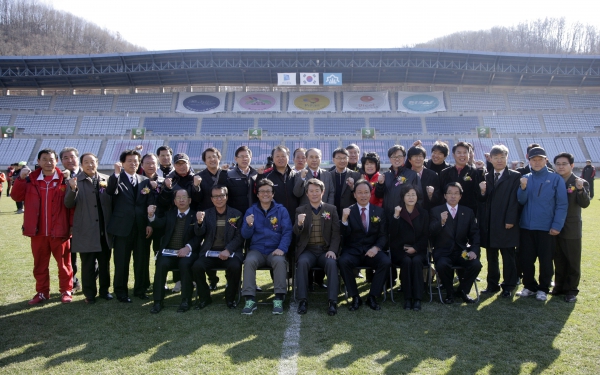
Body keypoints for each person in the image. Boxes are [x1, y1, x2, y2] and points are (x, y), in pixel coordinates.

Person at [11, 149, 73, 304]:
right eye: (44, 159)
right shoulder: (30, 179)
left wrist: (71, 226)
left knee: (64, 264)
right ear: (38, 162)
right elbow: (16, 196)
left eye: (51, 159)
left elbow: (72, 206)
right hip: (38, 232)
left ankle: (66, 290)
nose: (48, 162)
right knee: (39, 265)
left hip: (60, 231)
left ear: (56, 160)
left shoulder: (64, 179)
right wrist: (20, 178)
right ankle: (42, 292)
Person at [516, 147, 567, 302]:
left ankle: (543, 288)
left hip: (546, 227)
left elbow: (562, 204)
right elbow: (521, 201)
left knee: (546, 260)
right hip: (526, 226)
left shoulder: (555, 178)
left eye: (540, 159)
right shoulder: (525, 177)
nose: (537, 162)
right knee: (526, 259)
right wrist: (523, 188)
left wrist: (557, 225)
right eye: (533, 159)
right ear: (529, 161)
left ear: (546, 160)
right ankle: (529, 286)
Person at [106, 149, 155, 303]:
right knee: (121, 262)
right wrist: (115, 174)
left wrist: (149, 224)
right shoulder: (116, 179)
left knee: (141, 261)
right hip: (122, 228)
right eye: (129, 161)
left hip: (141, 228)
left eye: (135, 161)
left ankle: (140, 289)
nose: (133, 164)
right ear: (122, 163)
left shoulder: (144, 181)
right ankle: (121, 291)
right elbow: (110, 191)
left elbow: (149, 203)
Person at [64, 152, 113, 304]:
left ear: (97, 163)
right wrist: (72, 189)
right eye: (86, 162)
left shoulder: (106, 179)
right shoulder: (74, 181)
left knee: (105, 264)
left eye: (92, 162)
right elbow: (68, 204)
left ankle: (105, 291)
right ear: (81, 164)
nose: (90, 165)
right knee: (88, 265)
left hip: (104, 231)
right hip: (86, 230)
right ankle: (90, 293)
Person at [240, 179, 293, 315]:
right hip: (257, 250)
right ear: (257, 194)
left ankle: (279, 298)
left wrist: (281, 248)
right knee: (249, 261)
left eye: (268, 191)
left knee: (280, 261)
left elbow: (287, 231)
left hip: (275, 249)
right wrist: (249, 225)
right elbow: (245, 235)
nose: (265, 194)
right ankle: (250, 299)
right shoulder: (250, 211)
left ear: (273, 194)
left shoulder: (281, 210)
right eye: (262, 191)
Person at [338, 180, 390, 311]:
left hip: (371, 250)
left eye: (366, 192)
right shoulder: (348, 211)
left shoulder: (379, 211)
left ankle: (372, 297)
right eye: (359, 192)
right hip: (353, 251)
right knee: (343, 261)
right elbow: (343, 235)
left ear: (370, 193)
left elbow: (383, 235)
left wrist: (376, 248)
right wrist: (343, 220)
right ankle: (355, 297)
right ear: (354, 195)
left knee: (385, 261)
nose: (363, 195)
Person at [147, 189, 200, 313]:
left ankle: (186, 300)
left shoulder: (195, 215)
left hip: (188, 252)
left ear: (189, 200)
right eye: (178, 198)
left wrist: (187, 248)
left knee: (185, 264)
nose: (181, 200)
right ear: (175, 201)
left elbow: (199, 236)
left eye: (184, 197)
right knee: (161, 264)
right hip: (169, 252)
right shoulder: (169, 214)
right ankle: (158, 301)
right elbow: (158, 223)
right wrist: (151, 216)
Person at [192, 185, 245, 309]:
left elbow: (239, 237)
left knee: (235, 266)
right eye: (215, 196)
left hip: (230, 252)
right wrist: (199, 223)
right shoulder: (206, 214)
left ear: (226, 197)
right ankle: (204, 298)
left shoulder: (236, 214)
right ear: (211, 199)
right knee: (197, 267)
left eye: (221, 196)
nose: (219, 199)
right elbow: (199, 233)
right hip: (210, 252)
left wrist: (228, 250)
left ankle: (230, 298)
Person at [478, 145, 521, 298]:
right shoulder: (487, 176)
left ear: (506, 158)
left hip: (506, 223)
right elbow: (483, 201)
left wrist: (510, 219)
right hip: (490, 223)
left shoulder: (515, 176)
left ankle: (508, 286)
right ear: (491, 159)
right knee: (491, 256)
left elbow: (515, 200)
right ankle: (492, 284)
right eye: (496, 158)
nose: (499, 160)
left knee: (508, 256)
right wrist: (482, 192)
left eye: (502, 157)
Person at [294, 179, 341, 316]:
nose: (314, 194)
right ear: (307, 194)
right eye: (311, 191)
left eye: (317, 191)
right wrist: (300, 223)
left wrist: (332, 250)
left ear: (323, 192)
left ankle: (332, 301)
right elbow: (296, 232)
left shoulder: (331, 209)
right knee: (302, 263)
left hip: (325, 250)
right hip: (308, 250)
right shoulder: (300, 210)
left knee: (332, 263)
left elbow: (336, 233)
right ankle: (303, 300)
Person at [429, 182, 482, 304]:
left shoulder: (467, 212)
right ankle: (449, 292)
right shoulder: (436, 211)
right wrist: (441, 222)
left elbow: (474, 234)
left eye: (456, 193)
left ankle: (463, 291)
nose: (453, 196)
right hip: (443, 252)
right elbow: (430, 232)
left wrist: (473, 250)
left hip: (462, 252)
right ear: (445, 195)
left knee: (475, 265)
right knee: (442, 265)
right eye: (450, 193)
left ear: (460, 196)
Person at [552, 153, 590, 303]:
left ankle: (571, 290)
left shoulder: (579, 182)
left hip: (571, 227)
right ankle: (559, 287)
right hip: (555, 225)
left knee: (572, 260)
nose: (561, 166)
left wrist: (580, 190)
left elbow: (585, 203)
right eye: (558, 164)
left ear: (571, 165)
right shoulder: (553, 180)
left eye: (564, 164)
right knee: (558, 258)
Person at [389, 185, 429, 311]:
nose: (411, 197)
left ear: (417, 197)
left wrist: (416, 248)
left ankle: (417, 299)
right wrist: (395, 216)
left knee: (416, 261)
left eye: (413, 194)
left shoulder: (423, 213)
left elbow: (426, 235)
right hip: (401, 251)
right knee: (406, 261)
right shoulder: (397, 212)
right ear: (403, 197)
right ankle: (407, 298)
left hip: (418, 250)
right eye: (408, 195)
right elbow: (392, 234)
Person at [60, 147, 84, 293]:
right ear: (61, 161)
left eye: (72, 157)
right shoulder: (59, 177)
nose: (69, 160)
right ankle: (73, 283)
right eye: (65, 158)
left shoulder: (88, 173)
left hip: (86, 222)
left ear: (77, 158)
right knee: (70, 256)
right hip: (66, 223)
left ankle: (91, 281)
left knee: (90, 256)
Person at [439, 142, 483, 215]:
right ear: (453, 155)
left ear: (469, 155)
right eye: (459, 152)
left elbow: (479, 194)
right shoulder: (444, 173)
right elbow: (441, 193)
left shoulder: (475, 172)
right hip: (448, 212)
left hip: (469, 212)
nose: (462, 155)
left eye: (465, 152)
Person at [375, 145, 418, 218]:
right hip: (388, 215)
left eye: (399, 156)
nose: (396, 159)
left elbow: (419, 197)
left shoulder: (412, 175)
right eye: (393, 156)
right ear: (390, 159)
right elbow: (378, 195)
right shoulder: (385, 176)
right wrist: (380, 184)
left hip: (406, 216)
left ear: (404, 158)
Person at [405, 145, 440, 211]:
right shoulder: (405, 175)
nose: (418, 159)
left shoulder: (433, 175)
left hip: (427, 212)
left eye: (420, 156)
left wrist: (431, 195)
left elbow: (438, 197)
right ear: (409, 159)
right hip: (408, 212)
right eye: (415, 156)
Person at [226, 145, 258, 216]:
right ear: (236, 158)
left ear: (251, 158)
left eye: (247, 156)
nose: (245, 159)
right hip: (235, 215)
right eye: (241, 156)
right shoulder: (229, 175)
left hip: (254, 214)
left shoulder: (256, 175)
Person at [330, 147, 361, 218]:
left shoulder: (356, 175)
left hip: (350, 213)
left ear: (348, 159)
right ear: (333, 160)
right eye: (339, 158)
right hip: (333, 213)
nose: (342, 160)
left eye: (344, 158)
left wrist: (352, 187)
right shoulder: (329, 175)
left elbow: (359, 196)